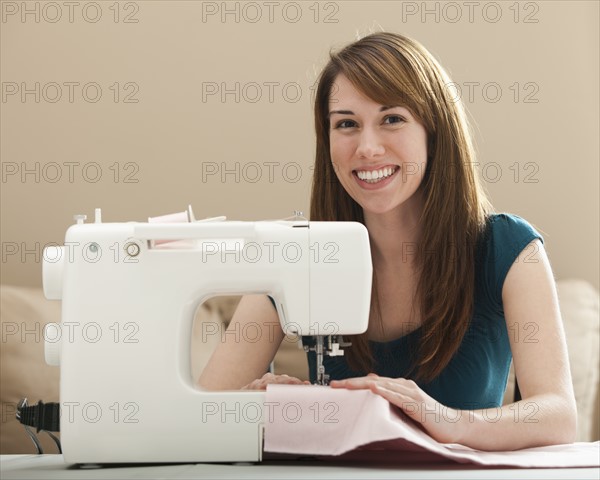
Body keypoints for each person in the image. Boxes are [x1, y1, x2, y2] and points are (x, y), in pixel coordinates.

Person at [198, 32, 577, 450]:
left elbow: (558, 416)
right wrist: (251, 411)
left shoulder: (508, 250)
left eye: (391, 118)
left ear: (434, 129)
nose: (368, 147)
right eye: (347, 124)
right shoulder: (294, 254)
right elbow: (199, 421)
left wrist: (445, 420)